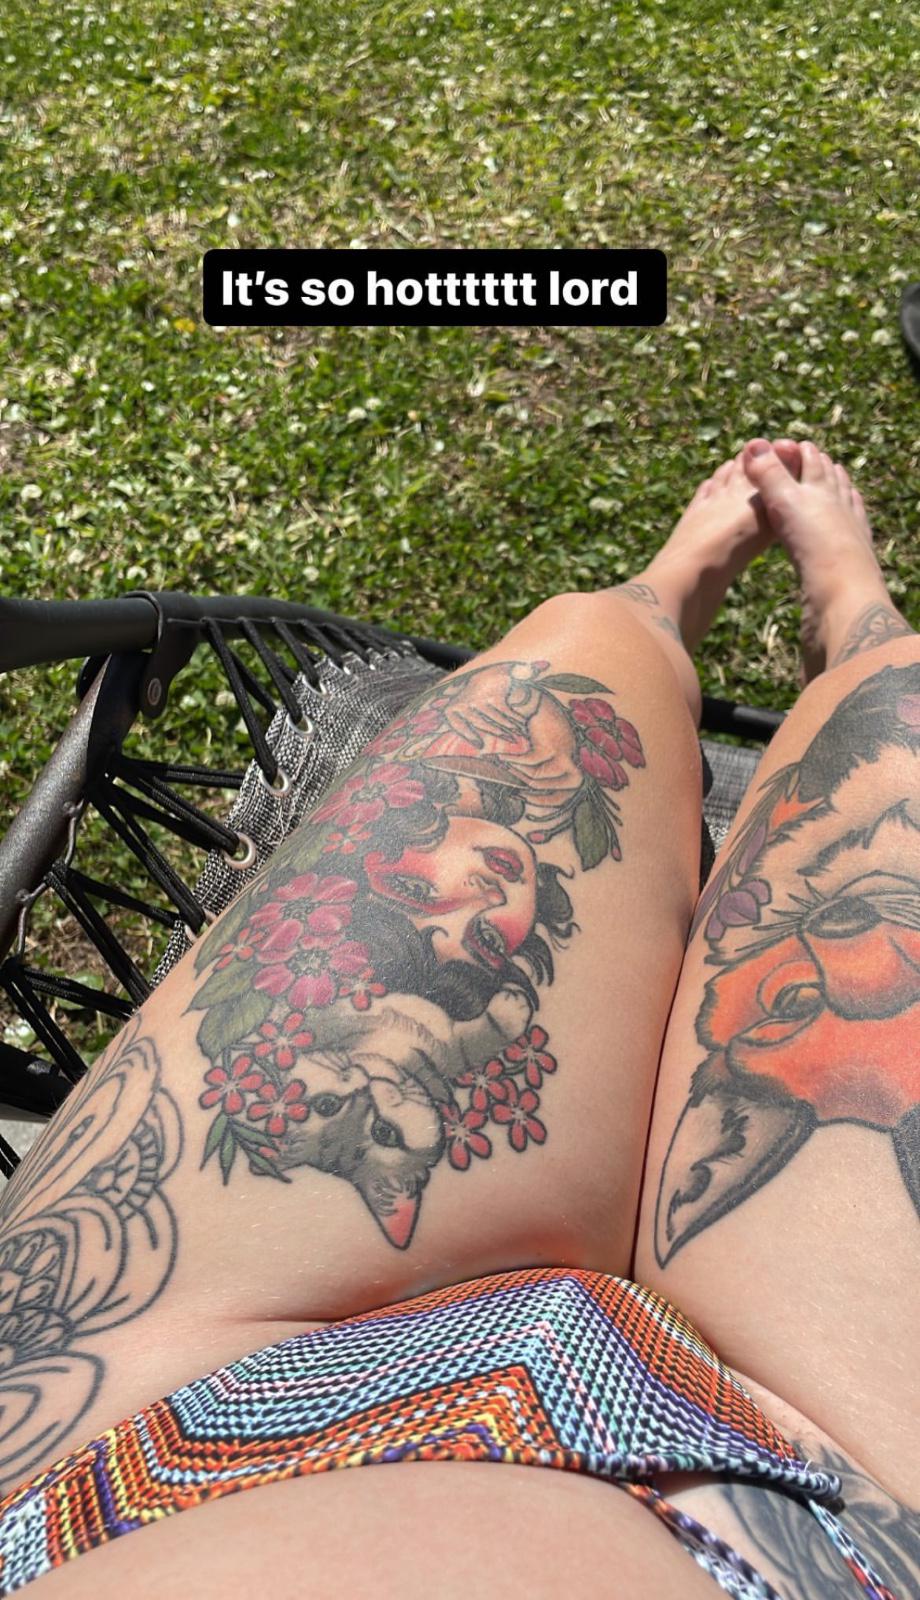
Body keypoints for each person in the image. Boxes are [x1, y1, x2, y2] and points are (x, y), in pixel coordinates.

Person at [0, 438, 916, 1599]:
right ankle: (852, 619)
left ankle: (666, 602)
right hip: (851, 1527)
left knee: (575, 648)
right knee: (901, 712)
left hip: (131, 1441)